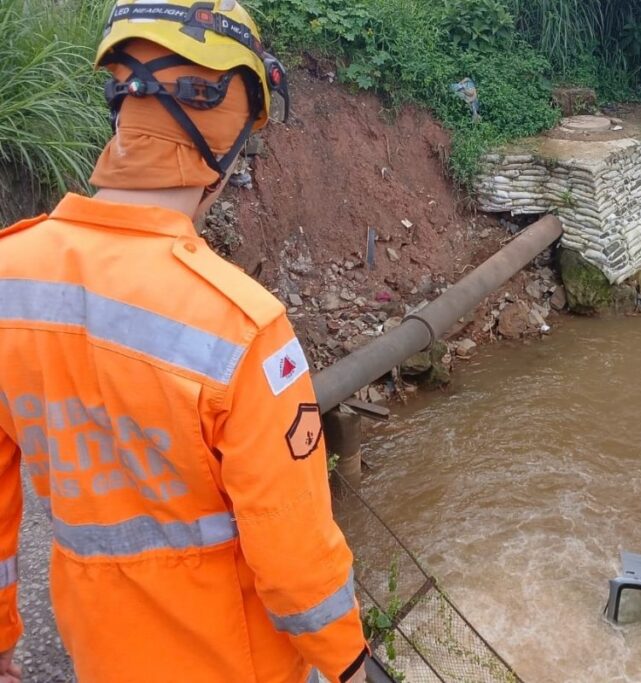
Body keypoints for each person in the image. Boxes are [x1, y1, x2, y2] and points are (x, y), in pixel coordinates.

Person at [0, 1, 368, 681]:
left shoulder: (10, 279)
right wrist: (352, 665)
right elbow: (295, 565)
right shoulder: (244, 329)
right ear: (224, 132)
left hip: (100, 651)